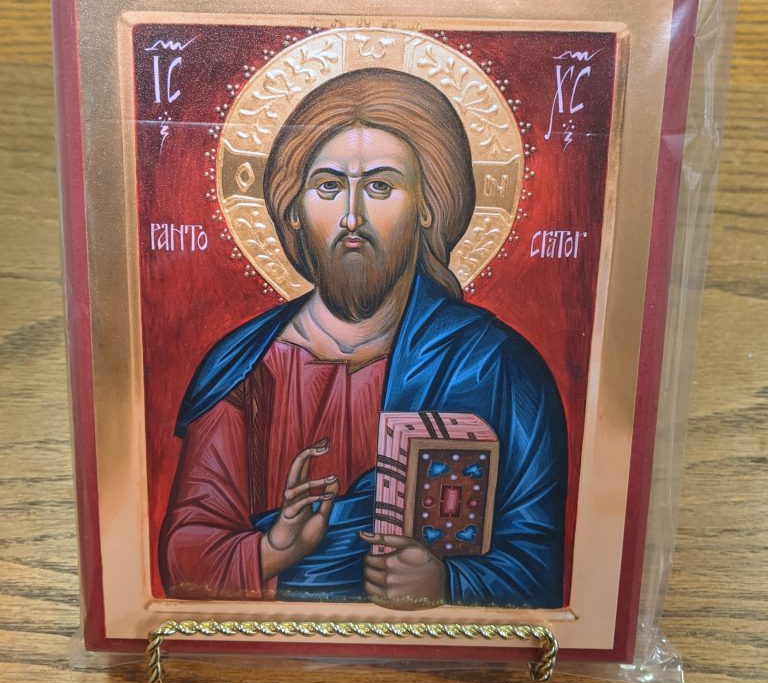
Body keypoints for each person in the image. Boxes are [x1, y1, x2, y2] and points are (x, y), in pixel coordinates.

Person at [160, 67, 568, 608]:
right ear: (295, 211)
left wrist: (449, 583)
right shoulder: (244, 370)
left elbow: (540, 565)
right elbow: (187, 559)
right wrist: (274, 550)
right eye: (328, 187)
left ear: (428, 206)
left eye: (380, 186)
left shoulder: (496, 366)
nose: (352, 218)